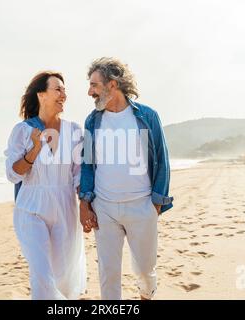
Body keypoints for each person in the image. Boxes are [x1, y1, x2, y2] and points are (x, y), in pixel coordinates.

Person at [78, 57, 173, 300]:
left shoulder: (147, 116)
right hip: (105, 208)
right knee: (108, 273)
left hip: (142, 206)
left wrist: (156, 204)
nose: (89, 92)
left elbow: (161, 160)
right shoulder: (92, 120)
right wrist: (85, 202)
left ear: (112, 84)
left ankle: (146, 295)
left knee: (144, 271)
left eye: (94, 85)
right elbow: (87, 163)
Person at [5, 71, 86, 300]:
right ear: (41, 95)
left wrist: (87, 205)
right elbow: (13, 174)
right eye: (57, 89)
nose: (64, 94)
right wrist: (34, 150)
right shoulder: (22, 131)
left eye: (64, 90)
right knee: (41, 274)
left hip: (65, 207)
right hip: (31, 207)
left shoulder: (74, 131)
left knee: (63, 276)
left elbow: (79, 174)